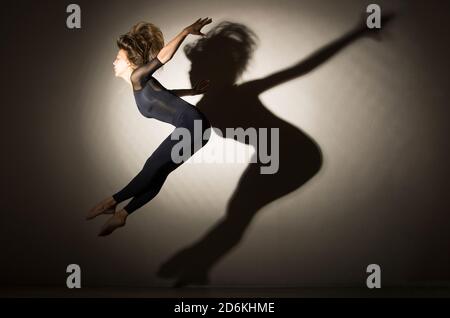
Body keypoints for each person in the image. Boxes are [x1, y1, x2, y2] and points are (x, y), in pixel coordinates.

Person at [87, 18, 213, 236]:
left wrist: (184, 31)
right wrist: (191, 92)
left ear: (129, 64)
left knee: (152, 167)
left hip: (193, 127)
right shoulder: (143, 85)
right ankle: (122, 214)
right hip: (197, 130)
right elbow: (166, 96)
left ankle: (111, 202)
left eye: (118, 58)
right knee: (158, 173)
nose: (113, 62)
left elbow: (162, 57)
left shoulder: (138, 77)